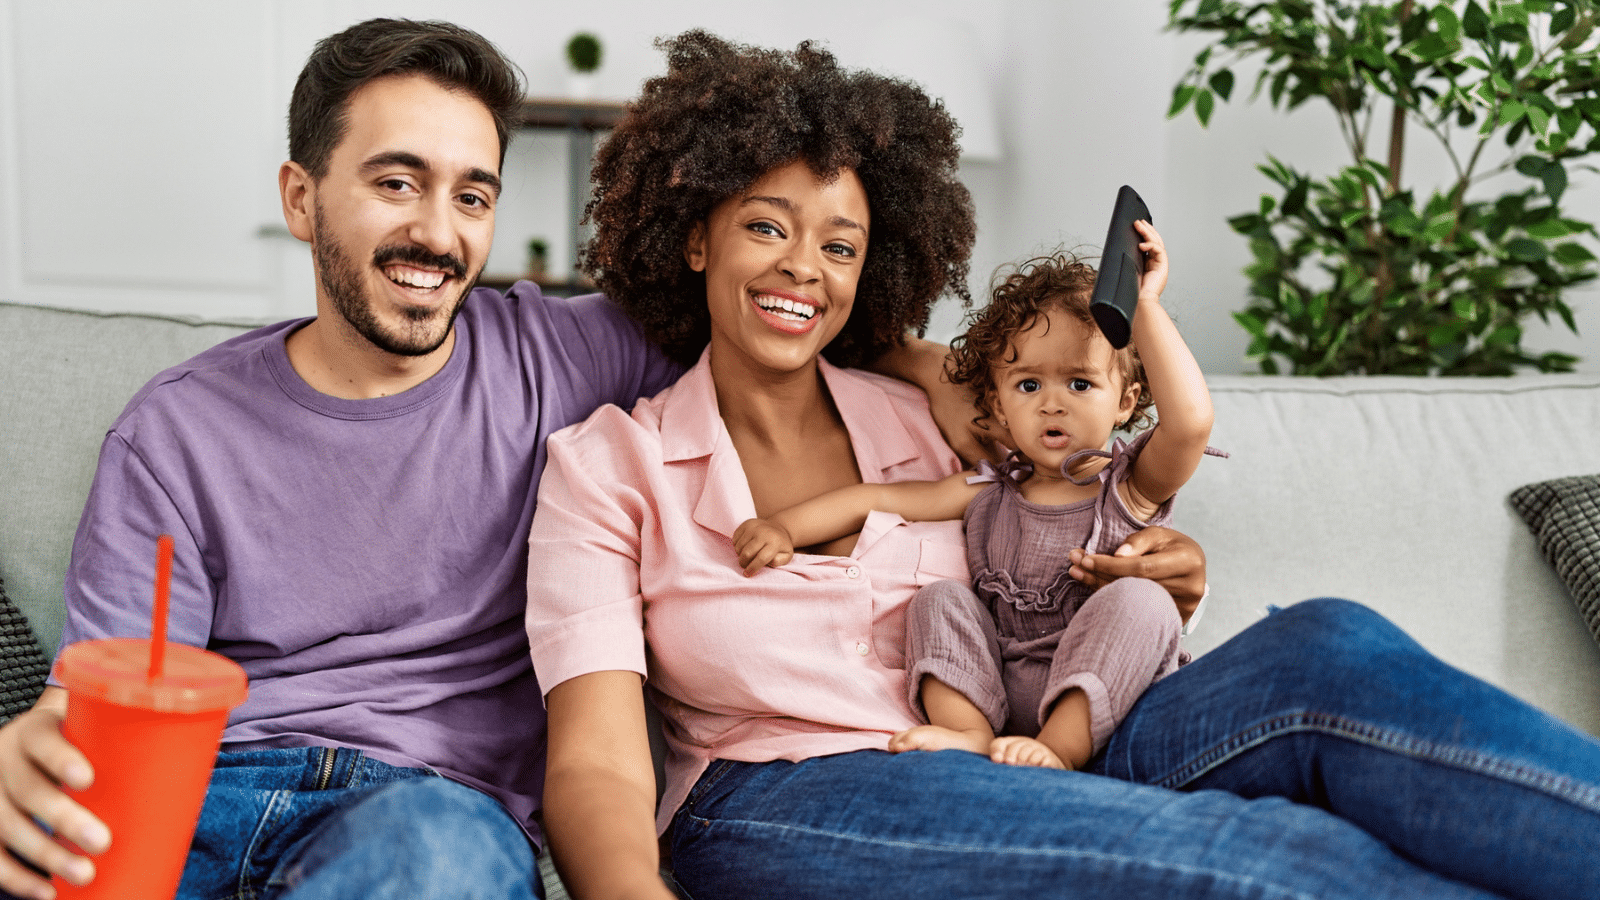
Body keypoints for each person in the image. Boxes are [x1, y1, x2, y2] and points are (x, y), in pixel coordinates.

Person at [526, 29, 1600, 900]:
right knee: (1267, 858)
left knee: (1330, 642)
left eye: (842, 244)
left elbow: (1078, 480)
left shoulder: (935, 408)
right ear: (694, 235)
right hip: (789, 791)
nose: (804, 265)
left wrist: (1165, 567)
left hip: (1034, 736)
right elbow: (595, 762)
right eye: (766, 226)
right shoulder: (607, 466)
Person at [0, 18, 966, 900]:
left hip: (430, 811)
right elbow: (95, 713)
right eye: (395, 183)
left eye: (472, 195)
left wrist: (930, 361)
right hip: (208, 802)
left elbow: (775, 307)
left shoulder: (562, 354)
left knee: (429, 860)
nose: (437, 230)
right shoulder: (174, 431)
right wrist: (31, 763)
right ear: (301, 199)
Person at [733, 242, 1224, 770]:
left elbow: (1190, 424)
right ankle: (965, 729)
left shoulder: (1130, 487)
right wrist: (783, 527)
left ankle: (1060, 752)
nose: (1052, 402)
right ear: (997, 404)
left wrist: (1145, 307)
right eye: (1028, 384)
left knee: (1142, 602)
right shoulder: (991, 487)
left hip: (1103, 699)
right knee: (939, 599)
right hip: (1007, 694)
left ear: (1125, 401)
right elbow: (881, 499)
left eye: (1081, 383)